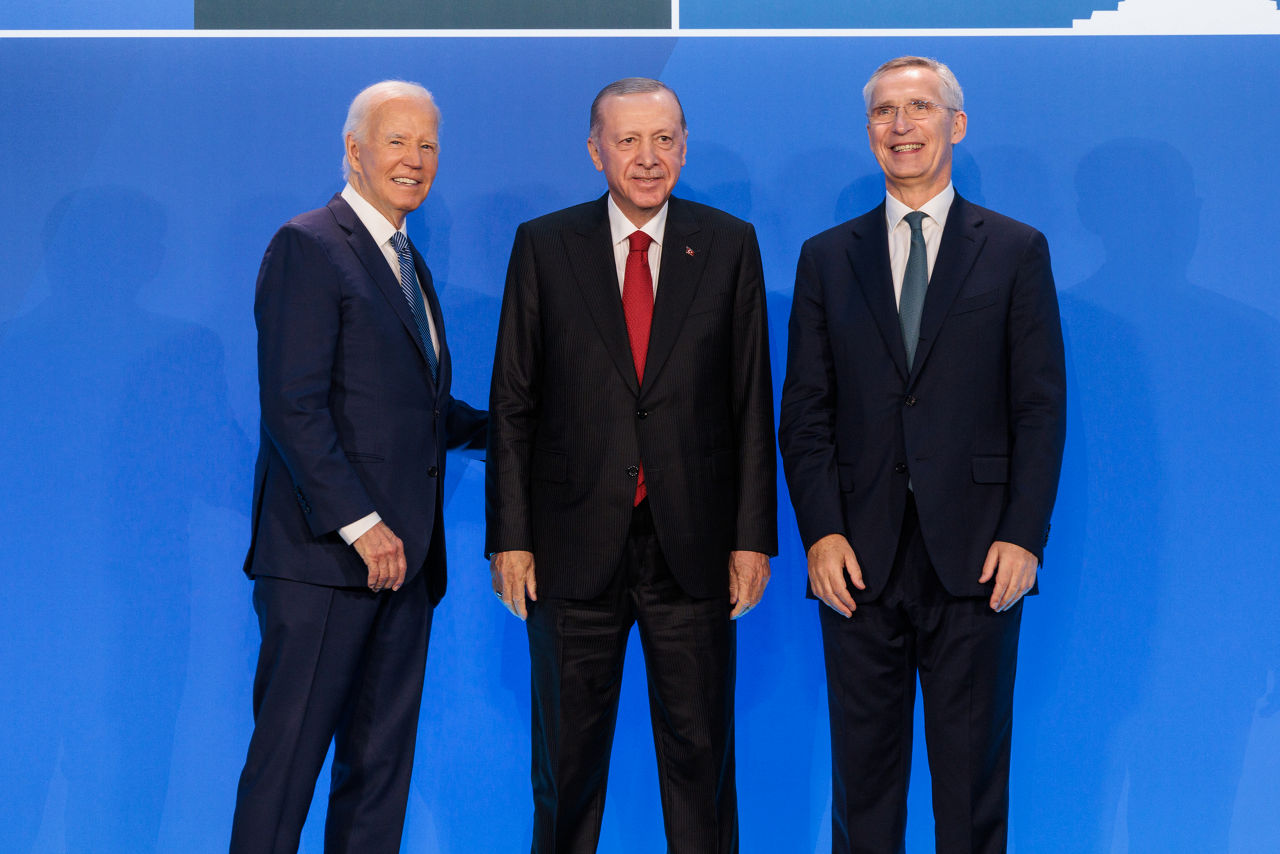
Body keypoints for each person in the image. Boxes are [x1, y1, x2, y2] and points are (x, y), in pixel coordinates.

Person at [778, 56, 1066, 854]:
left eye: (919, 108)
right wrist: (821, 534)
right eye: (884, 113)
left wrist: (1025, 535)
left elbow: (1039, 407)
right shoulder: (827, 258)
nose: (901, 126)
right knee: (862, 797)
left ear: (956, 125)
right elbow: (804, 412)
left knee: (971, 798)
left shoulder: (1014, 250)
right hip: (856, 561)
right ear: (868, 131)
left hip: (979, 558)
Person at [486, 77, 776, 853]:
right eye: (628, 140)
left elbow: (753, 403)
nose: (648, 158)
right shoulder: (545, 246)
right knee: (566, 771)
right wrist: (509, 537)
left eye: (665, 139)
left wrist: (754, 538)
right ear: (595, 151)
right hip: (570, 550)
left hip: (694, 550)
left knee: (703, 766)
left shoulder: (728, 243)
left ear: (684, 145)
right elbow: (514, 402)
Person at [230, 80, 486, 854]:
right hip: (322, 569)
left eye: (428, 144)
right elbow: (293, 405)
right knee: (286, 775)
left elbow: (417, 414)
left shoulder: (410, 264)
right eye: (398, 141)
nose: (415, 160)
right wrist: (363, 525)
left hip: (405, 573)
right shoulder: (309, 245)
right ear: (355, 150)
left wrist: (531, 425)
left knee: (379, 779)